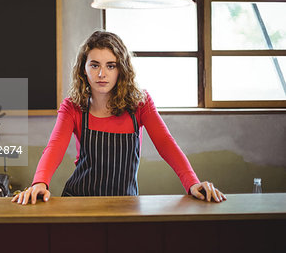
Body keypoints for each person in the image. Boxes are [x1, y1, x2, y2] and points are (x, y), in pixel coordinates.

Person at [12, 31, 226, 205]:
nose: (101, 74)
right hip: (79, 203)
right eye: (94, 65)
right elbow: (54, 148)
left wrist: (192, 183)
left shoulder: (140, 104)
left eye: (110, 65)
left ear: (121, 69)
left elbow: (166, 143)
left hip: (126, 205)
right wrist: (40, 183)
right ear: (83, 70)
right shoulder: (73, 107)